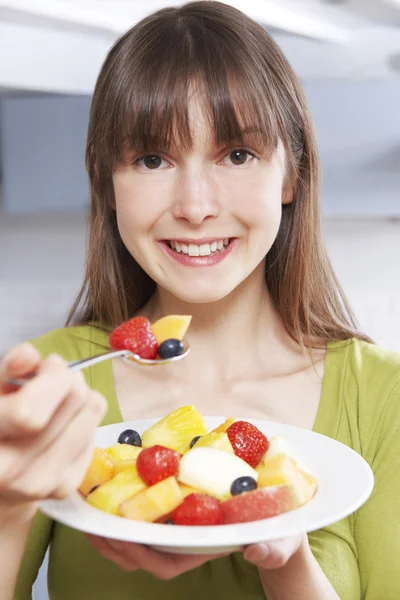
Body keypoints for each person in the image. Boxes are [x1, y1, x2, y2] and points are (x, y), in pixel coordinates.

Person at [1, 2, 399, 598]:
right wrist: (7, 504)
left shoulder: (382, 396)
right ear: (108, 185)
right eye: (151, 159)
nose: (194, 206)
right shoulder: (51, 387)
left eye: (237, 155)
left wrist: (284, 556)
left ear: (291, 176)